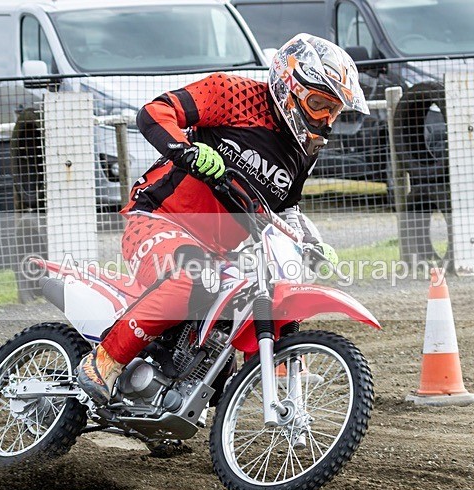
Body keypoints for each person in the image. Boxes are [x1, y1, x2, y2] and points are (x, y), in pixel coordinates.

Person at [77, 33, 370, 405]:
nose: (326, 120)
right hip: (161, 218)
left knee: (254, 300)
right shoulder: (232, 92)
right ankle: (103, 361)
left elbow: (285, 209)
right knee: (191, 278)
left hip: (223, 250)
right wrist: (186, 152)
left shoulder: (303, 150)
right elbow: (154, 112)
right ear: (289, 84)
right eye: (318, 104)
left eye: (334, 112)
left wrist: (311, 242)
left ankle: (176, 399)